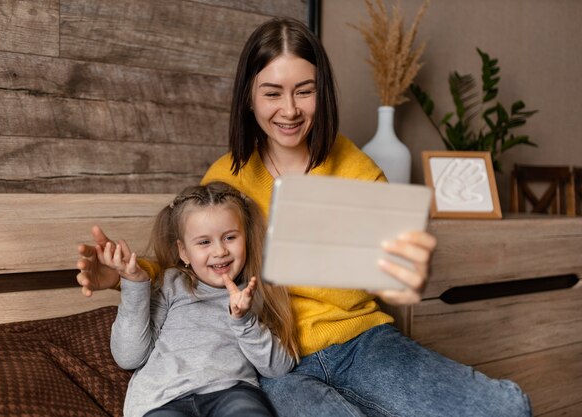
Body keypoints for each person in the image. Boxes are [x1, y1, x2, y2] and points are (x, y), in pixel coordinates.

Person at [77, 17, 532, 417]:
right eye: (272, 93)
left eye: (305, 91)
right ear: (249, 100)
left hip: (362, 342)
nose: (290, 110)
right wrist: (120, 277)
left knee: (506, 408)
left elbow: (393, 269)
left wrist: (406, 266)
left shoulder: (358, 169)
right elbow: (184, 261)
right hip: (276, 358)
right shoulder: (226, 176)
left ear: (322, 93)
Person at [104, 182, 297, 417]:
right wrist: (134, 284)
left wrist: (243, 320)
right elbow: (129, 357)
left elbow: (279, 368)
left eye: (229, 237)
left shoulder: (253, 292)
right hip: (164, 399)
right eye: (204, 242)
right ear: (184, 251)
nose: (219, 251)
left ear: (246, 238)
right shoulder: (171, 284)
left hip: (231, 392)